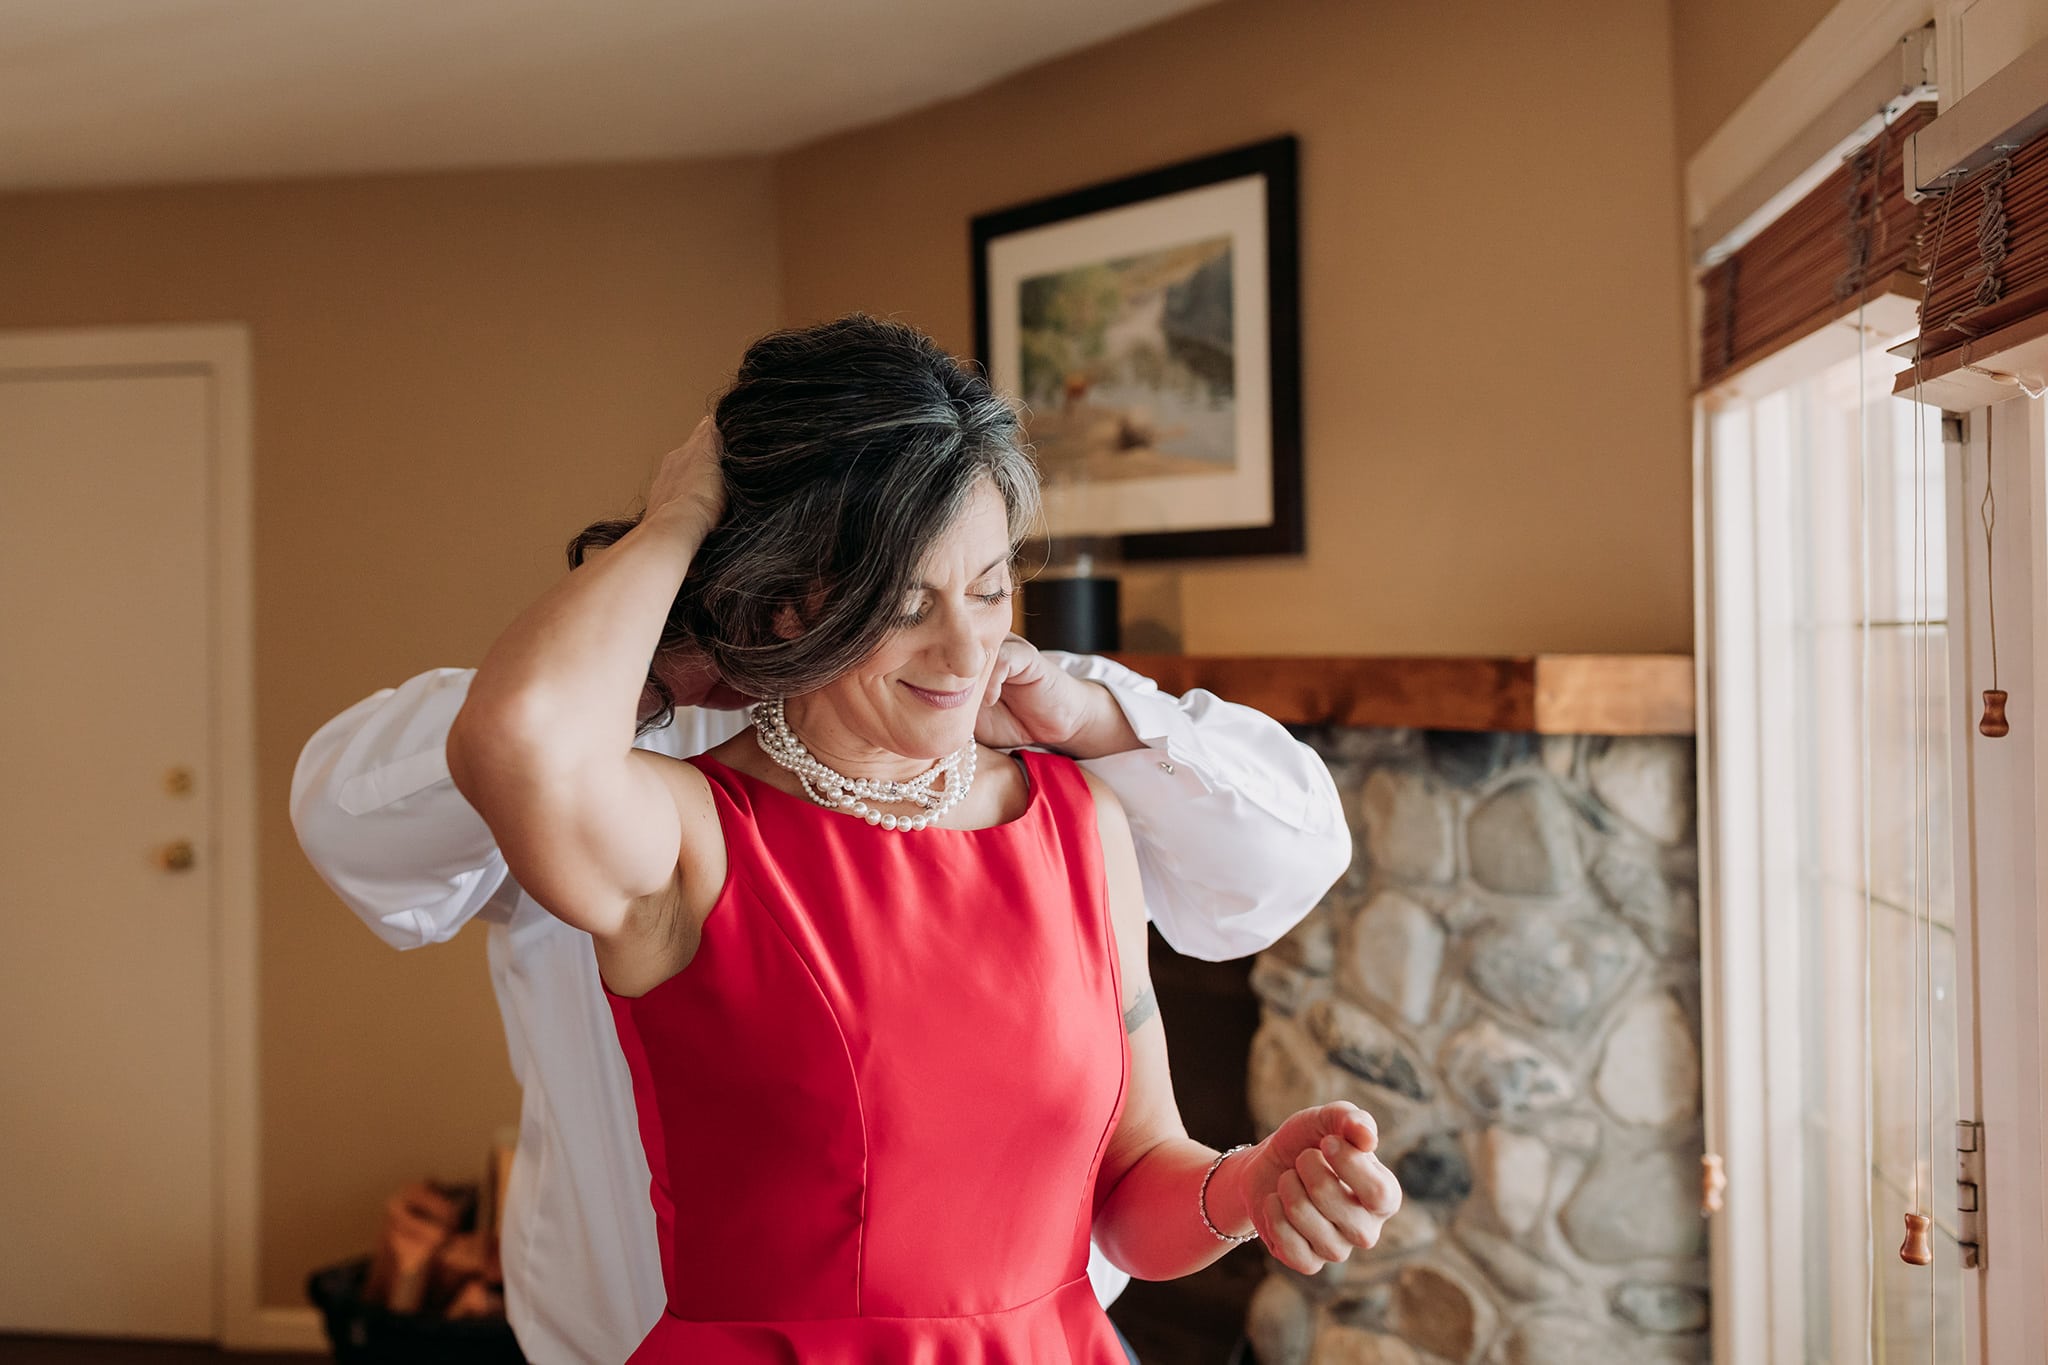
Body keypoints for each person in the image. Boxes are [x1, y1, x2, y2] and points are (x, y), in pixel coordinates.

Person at [292, 315, 1394, 1363]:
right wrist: (678, 520)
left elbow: (1132, 1187)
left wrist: (1247, 1191)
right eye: (905, 607)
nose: (967, 650)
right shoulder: (688, 832)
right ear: (789, 607)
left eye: (992, 586)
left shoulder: (1079, 820)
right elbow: (517, 739)